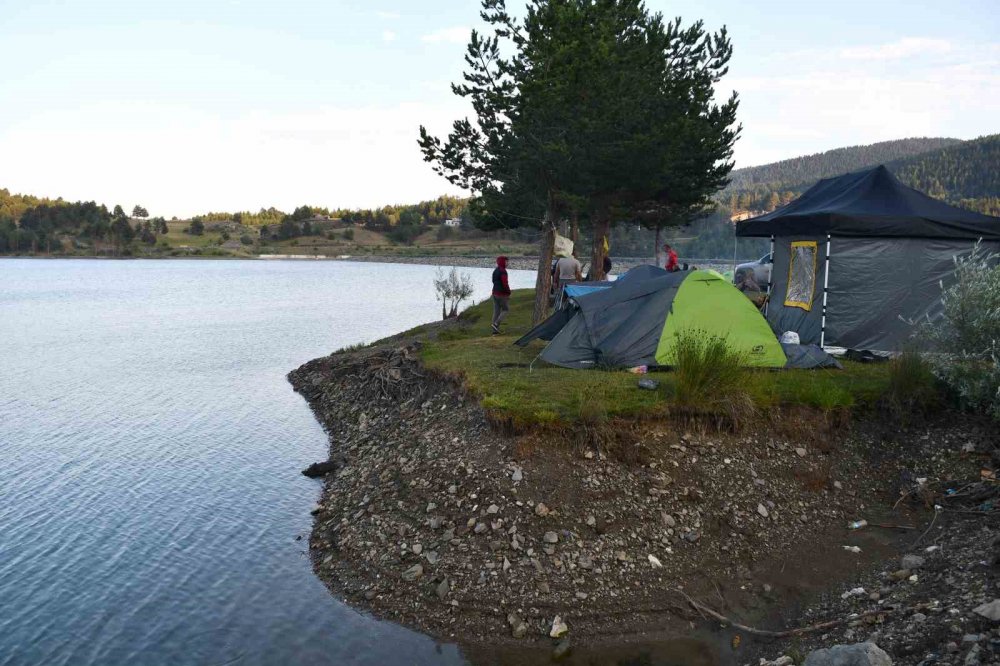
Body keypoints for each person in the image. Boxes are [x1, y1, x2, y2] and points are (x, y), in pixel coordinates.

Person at [491, 255, 511, 335]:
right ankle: (496, 324)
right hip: (502, 294)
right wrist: (508, 292)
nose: (508, 263)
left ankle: (494, 331)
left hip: (494, 293)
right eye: (506, 261)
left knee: (496, 311)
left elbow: (493, 281)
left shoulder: (495, 270)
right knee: (506, 309)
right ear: (503, 262)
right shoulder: (503, 271)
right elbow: (505, 283)